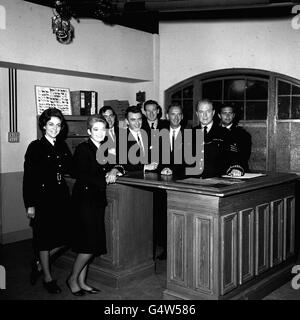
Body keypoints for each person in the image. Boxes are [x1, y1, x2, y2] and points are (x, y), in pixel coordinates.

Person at [67, 115, 123, 296]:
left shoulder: (107, 147)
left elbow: (120, 164)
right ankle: (72, 278)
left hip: (97, 200)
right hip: (84, 201)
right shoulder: (84, 148)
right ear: (89, 131)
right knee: (88, 245)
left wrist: (114, 170)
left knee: (88, 244)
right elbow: (82, 174)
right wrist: (106, 177)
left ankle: (82, 282)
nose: (100, 133)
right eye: (96, 129)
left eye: (103, 129)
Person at [23, 107, 73, 294]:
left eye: (58, 125)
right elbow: (29, 178)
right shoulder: (35, 147)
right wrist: (30, 205)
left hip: (61, 198)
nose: (55, 128)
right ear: (44, 126)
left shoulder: (62, 145)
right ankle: (47, 277)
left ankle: (38, 263)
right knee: (44, 240)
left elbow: (72, 168)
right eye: (51, 124)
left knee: (67, 237)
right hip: (42, 200)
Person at [193, 99, 245, 178]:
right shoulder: (189, 133)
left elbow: (233, 156)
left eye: (208, 111)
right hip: (192, 181)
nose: (205, 115)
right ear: (197, 114)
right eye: (201, 112)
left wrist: (235, 168)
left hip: (216, 181)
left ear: (213, 113)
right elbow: (181, 161)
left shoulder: (225, 133)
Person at [122, 105, 158, 172]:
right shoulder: (121, 138)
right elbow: (123, 164)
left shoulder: (148, 134)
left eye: (139, 119)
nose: (137, 123)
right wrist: (145, 167)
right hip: (133, 178)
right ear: (127, 121)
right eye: (133, 120)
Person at [218, 103, 252, 172]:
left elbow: (244, 157)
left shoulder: (243, 134)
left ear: (233, 115)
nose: (227, 116)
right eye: (224, 113)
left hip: (237, 170)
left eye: (230, 113)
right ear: (219, 115)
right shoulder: (213, 132)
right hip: (217, 171)